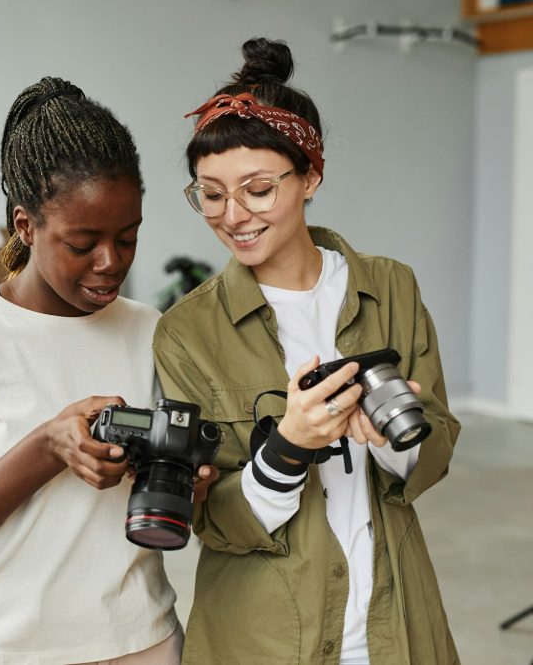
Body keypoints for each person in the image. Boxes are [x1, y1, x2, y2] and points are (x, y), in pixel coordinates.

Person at [153, 38, 461, 664]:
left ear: (312, 175)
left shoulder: (391, 287)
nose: (232, 215)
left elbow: (437, 449)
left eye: (258, 189)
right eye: (210, 194)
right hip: (264, 637)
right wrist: (290, 445)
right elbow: (212, 521)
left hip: (394, 625)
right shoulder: (187, 332)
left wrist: (396, 440)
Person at [0, 76, 211, 664]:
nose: (110, 262)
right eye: (82, 242)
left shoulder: (150, 331)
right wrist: (47, 447)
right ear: (25, 226)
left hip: (138, 642)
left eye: (128, 237)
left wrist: (195, 482)